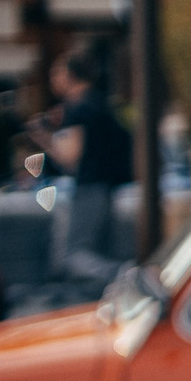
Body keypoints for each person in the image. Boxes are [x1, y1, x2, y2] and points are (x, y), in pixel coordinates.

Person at [33, 49, 133, 283]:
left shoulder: (79, 108)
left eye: (56, 73)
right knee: (90, 251)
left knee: (74, 255)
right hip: (107, 187)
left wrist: (43, 137)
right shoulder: (98, 103)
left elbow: (70, 157)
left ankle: (127, 277)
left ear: (71, 75)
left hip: (90, 188)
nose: (53, 79)